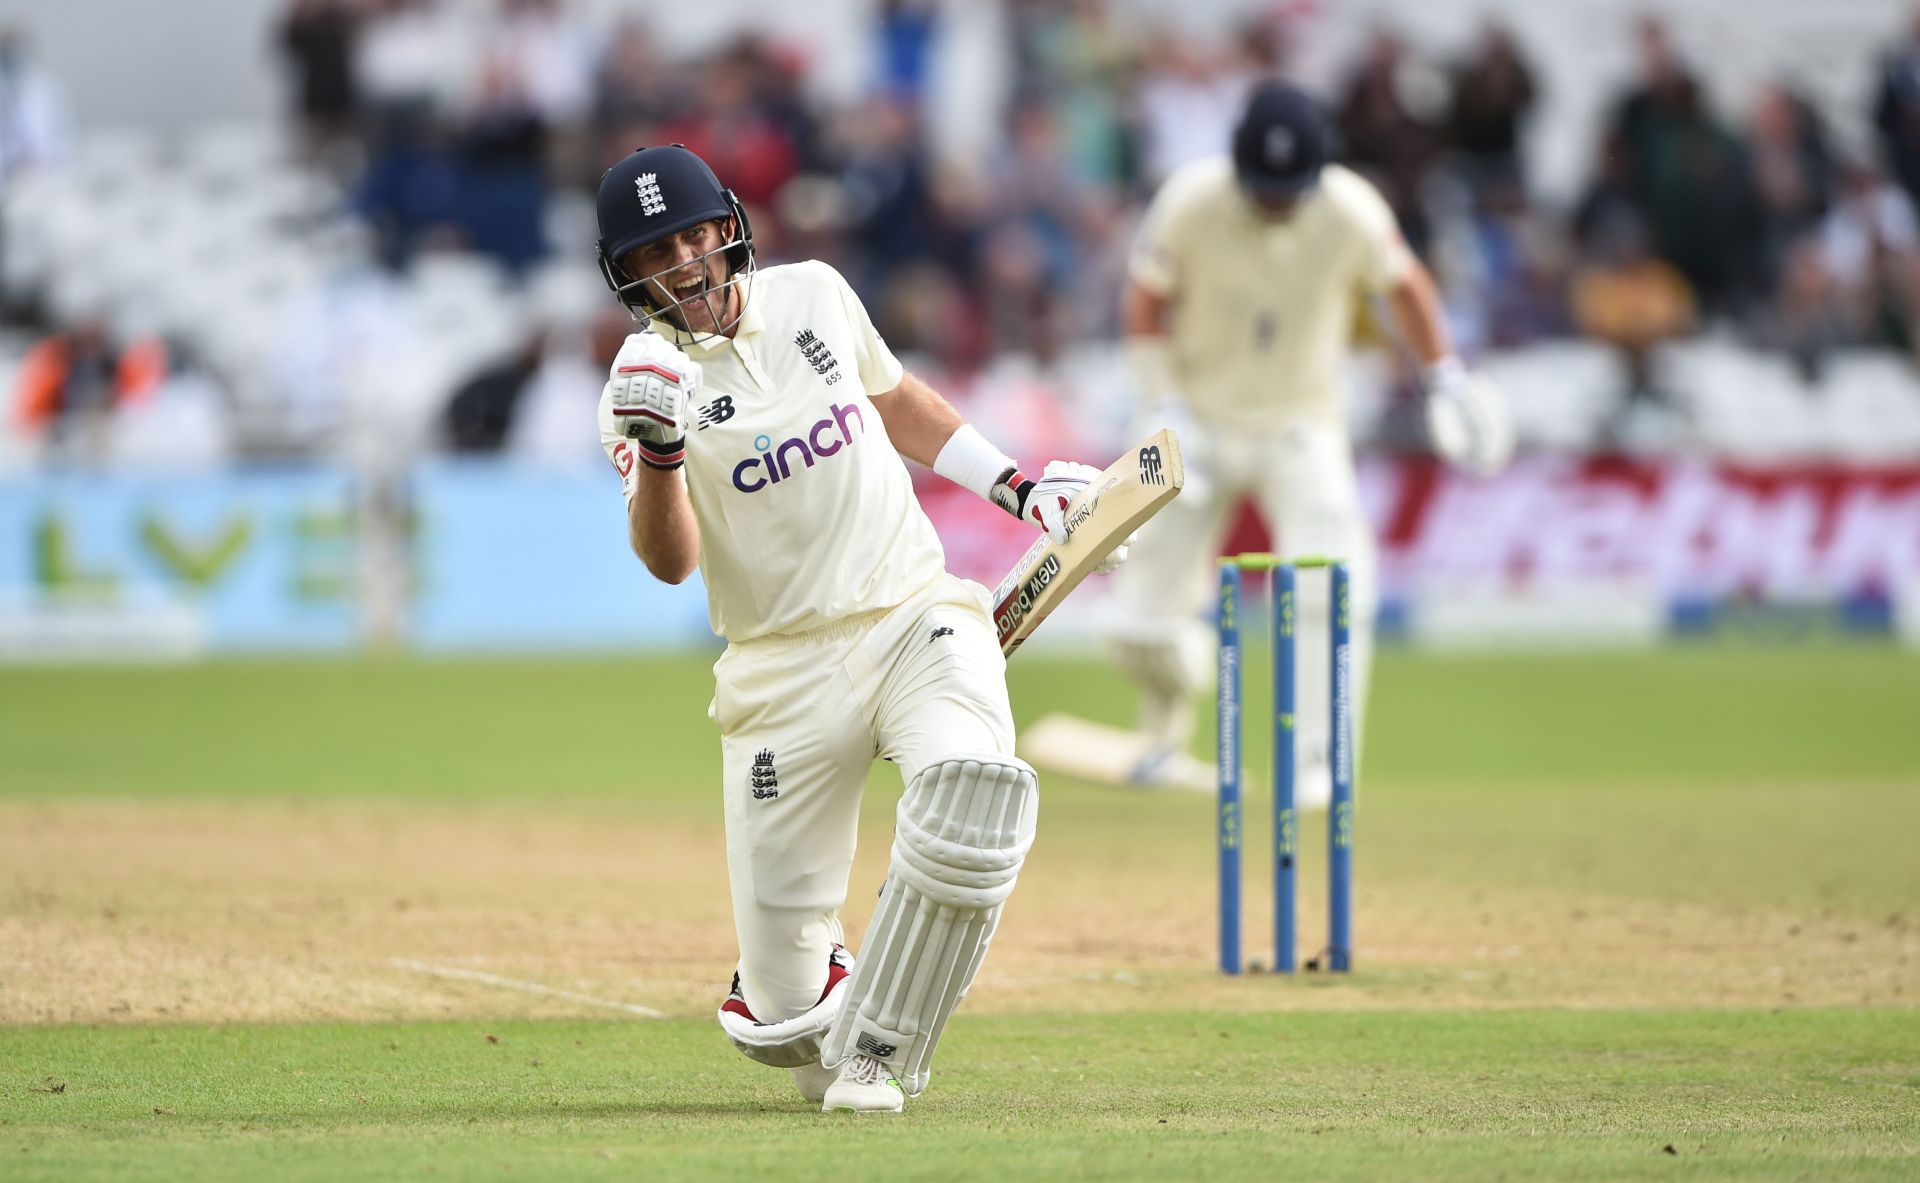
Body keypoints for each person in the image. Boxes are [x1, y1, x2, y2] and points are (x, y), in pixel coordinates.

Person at [591, 144, 1124, 1113]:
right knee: (794, 1039)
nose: (679, 264)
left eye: (691, 237)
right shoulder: (639, 384)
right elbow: (670, 560)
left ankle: (883, 1049)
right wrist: (662, 450)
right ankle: (818, 989)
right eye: (650, 255)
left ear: (725, 230)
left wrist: (1020, 487)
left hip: (911, 610)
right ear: (625, 277)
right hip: (778, 676)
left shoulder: (815, 297)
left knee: (974, 799)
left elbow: (895, 402)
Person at [1105, 81, 1511, 800]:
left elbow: (1407, 284)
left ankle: (1320, 762)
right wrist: (1162, 406)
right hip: (1196, 421)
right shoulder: (1192, 200)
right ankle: (1161, 742)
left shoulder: (1351, 208)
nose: (1277, 202)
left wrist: (1445, 375)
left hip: (1301, 422)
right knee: (1139, 618)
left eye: (1289, 189)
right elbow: (1144, 296)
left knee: (1333, 585)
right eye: (1264, 188)